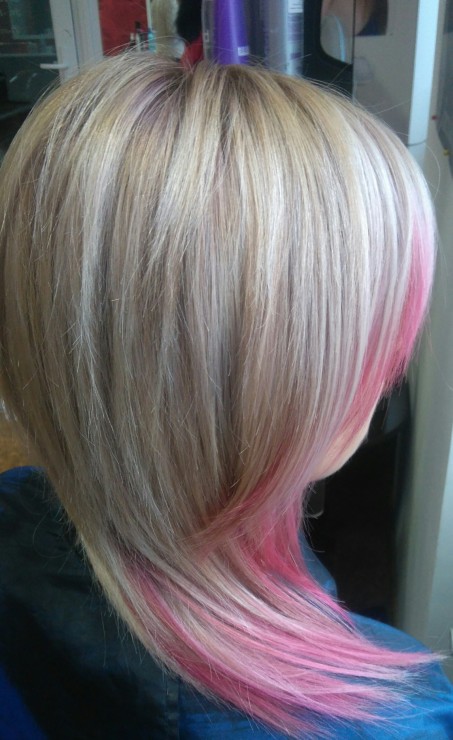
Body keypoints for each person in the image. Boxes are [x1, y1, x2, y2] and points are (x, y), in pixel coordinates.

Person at [0, 54, 451, 739]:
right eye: (375, 342)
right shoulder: (398, 716)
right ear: (304, 391)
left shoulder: (15, 512)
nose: (390, 371)